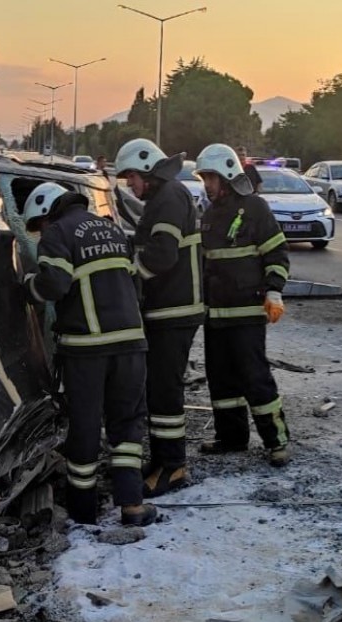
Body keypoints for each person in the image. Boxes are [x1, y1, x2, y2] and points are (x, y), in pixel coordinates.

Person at [20, 182, 157, 526]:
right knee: (126, 424)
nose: (40, 235)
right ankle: (132, 506)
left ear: (47, 214)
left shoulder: (58, 234)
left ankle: (83, 511)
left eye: (38, 227)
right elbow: (135, 283)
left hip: (87, 350)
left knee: (85, 426)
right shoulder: (111, 228)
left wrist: (24, 287)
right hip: (131, 343)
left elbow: (54, 284)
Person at [114, 138, 204, 497]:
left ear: (148, 169)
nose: (130, 185)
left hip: (174, 310)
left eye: (132, 177)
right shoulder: (164, 198)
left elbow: (162, 255)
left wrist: (128, 277)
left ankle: (173, 466)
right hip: (168, 310)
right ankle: (164, 460)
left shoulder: (168, 197)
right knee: (158, 389)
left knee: (165, 392)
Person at [194, 143, 292, 467]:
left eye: (211, 177)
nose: (207, 184)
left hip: (247, 314)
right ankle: (231, 438)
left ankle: (277, 441)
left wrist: (274, 290)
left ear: (228, 175)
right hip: (216, 317)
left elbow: (276, 255)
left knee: (255, 377)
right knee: (221, 380)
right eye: (204, 177)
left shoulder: (255, 209)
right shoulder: (208, 215)